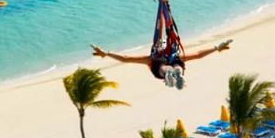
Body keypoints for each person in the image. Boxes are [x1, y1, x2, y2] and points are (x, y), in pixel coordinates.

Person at [90, 39, 232, 89]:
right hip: (162, 68)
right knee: (175, 63)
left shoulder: (150, 58)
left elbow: (126, 58)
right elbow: (198, 54)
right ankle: (175, 73)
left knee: (170, 63)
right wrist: (216, 48)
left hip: (159, 70)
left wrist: (107, 53)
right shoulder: (156, 58)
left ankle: (173, 74)